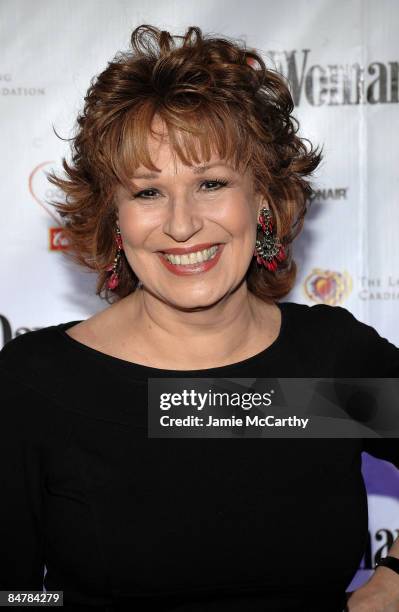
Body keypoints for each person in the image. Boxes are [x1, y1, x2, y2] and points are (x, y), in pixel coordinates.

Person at [1, 24, 399, 612]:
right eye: (147, 192)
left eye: (211, 183)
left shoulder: (329, 363)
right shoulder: (38, 383)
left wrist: (393, 578)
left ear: (262, 198)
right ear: (114, 217)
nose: (182, 225)